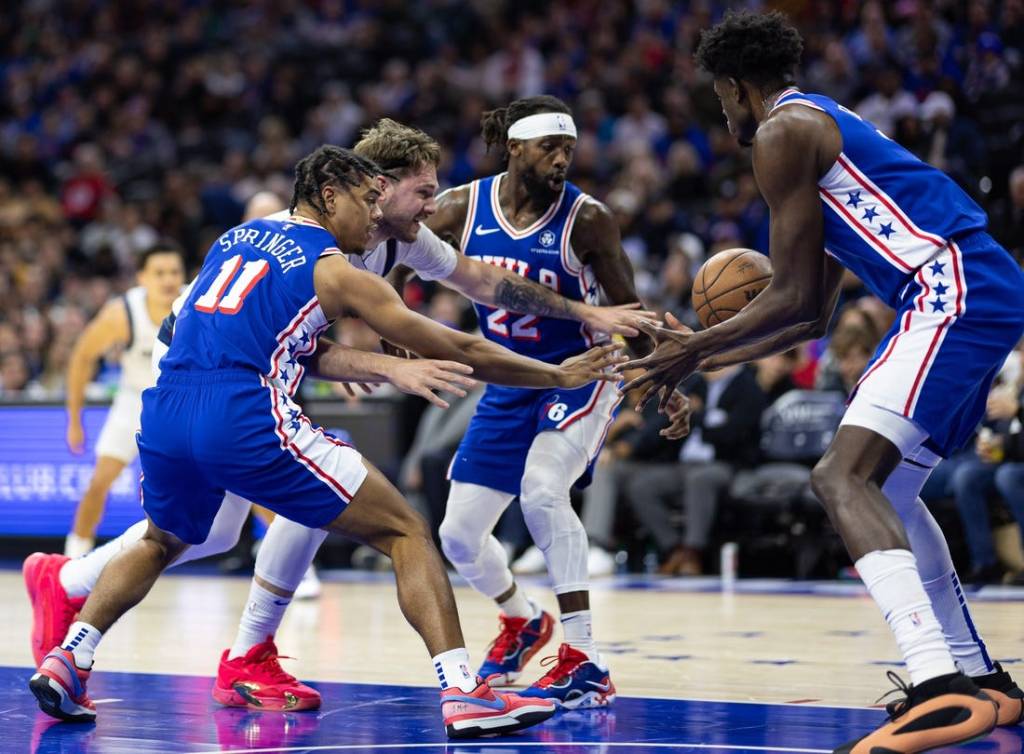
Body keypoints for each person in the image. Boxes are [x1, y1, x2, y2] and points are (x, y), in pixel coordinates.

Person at [23, 120, 652, 712]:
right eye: (417, 192)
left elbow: (481, 283)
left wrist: (588, 315)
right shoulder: (331, 253)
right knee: (368, 520)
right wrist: (534, 372)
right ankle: (424, 683)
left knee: (203, 532)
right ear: (360, 187)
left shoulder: (355, 236)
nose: (427, 207)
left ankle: (76, 633)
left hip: (197, 393)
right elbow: (442, 344)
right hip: (222, 373)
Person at [624, 11, 1024, 753]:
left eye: (720, 99)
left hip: (951, 287)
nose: (725, 114)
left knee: (840, 477)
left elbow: (782, 300)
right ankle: (982, 680)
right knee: (890, 489)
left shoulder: (781, 133)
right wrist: (701, 356)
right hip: (979, 287)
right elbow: (807, 311)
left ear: (736, 88)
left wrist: (690, 347)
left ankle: (937, 687)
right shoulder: (825, 131)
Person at [426, 95, 689, 707]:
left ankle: (585, 659)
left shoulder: (589, 219)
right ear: (515, 146)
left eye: (569, 149)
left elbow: (632, 311)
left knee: (543, 489)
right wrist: (389, 325)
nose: (562, 159)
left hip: (586, 369)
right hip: (513, 377)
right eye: (550, 147)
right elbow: (396, 259)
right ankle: (522, 620)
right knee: (459, 535)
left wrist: (668, 380)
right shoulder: (462, 207)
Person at [62, 241, 185, 557]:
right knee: (99, 482)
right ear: (142, 278)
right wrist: (74, 421)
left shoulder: (196, 302)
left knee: (240, 479)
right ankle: (72, 557)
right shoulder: (121, 313)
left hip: (183, 403)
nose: (168, 280)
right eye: (159, 273)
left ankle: (292, 568)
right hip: (136, 400)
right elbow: (82, 357)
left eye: (174, 272)